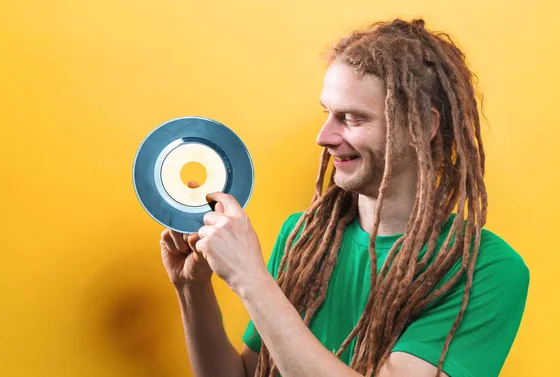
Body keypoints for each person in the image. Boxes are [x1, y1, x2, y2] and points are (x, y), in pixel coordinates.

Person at [159, 18, 529, 377]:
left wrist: (250, 280)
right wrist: (193, 289)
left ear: (423, 126)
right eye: (328, 113)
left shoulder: (485, 270)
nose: (323, 136)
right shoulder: (303, 239)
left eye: (351, 118)